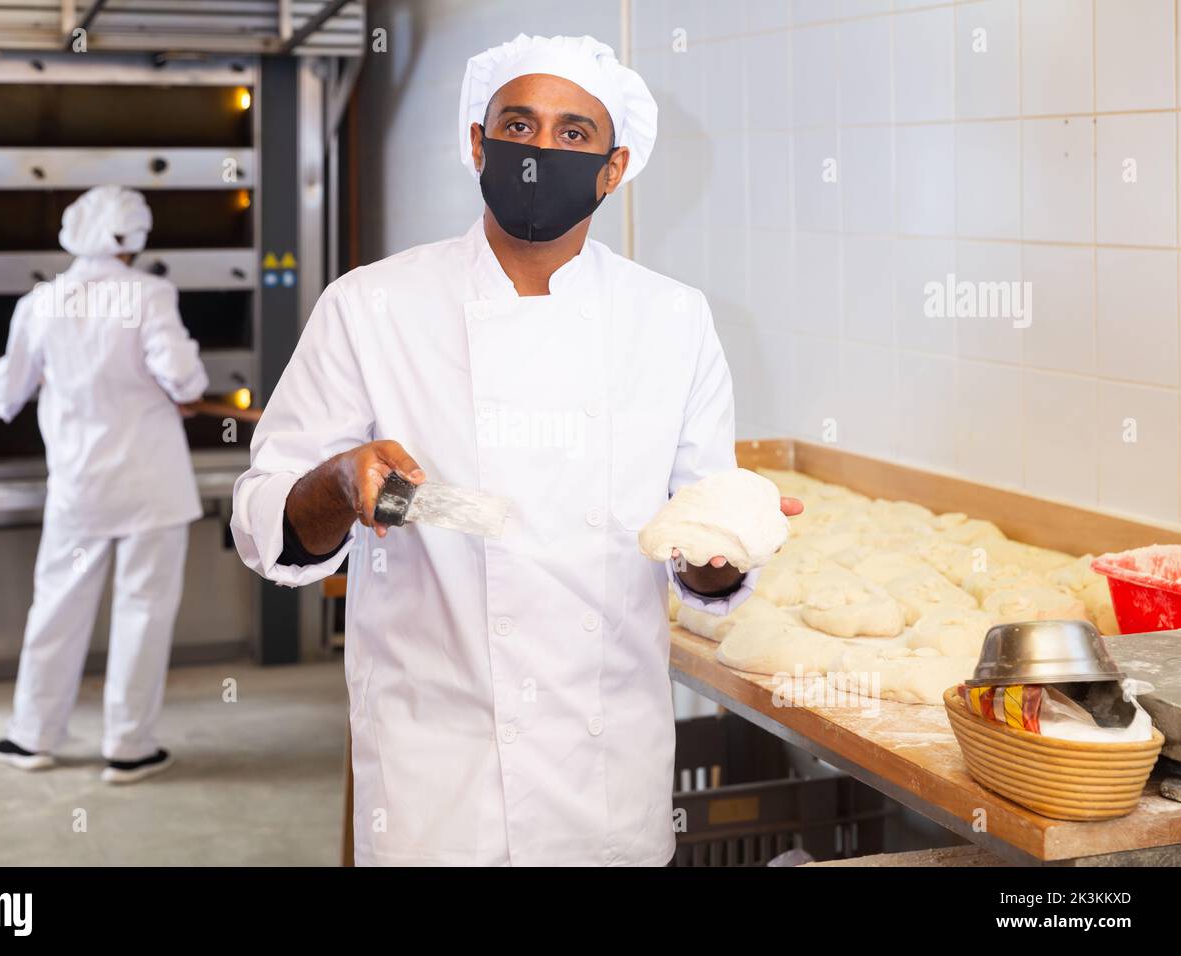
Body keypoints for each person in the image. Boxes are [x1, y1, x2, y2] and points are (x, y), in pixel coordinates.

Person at [231, 34, 802, 864]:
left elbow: (697, 527)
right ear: (476, 144)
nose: (540, 151)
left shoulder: (671, 320)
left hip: (601, 768)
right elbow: (262, 519)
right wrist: (335, 486)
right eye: (518, 125)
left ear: (613, 168)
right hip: (434, 771)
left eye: (574, 134)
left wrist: (725, 548)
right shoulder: (371, 307)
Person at [0, 185, 208, 785]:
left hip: (79, 486)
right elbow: (185, 381)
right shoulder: (151, 295)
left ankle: (31, 737)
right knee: (144, 610)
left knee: (56, 605)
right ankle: (129, 748)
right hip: (151, 486)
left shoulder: (41, 302)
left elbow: (5, 397)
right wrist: (173, 391)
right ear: (135, 240)